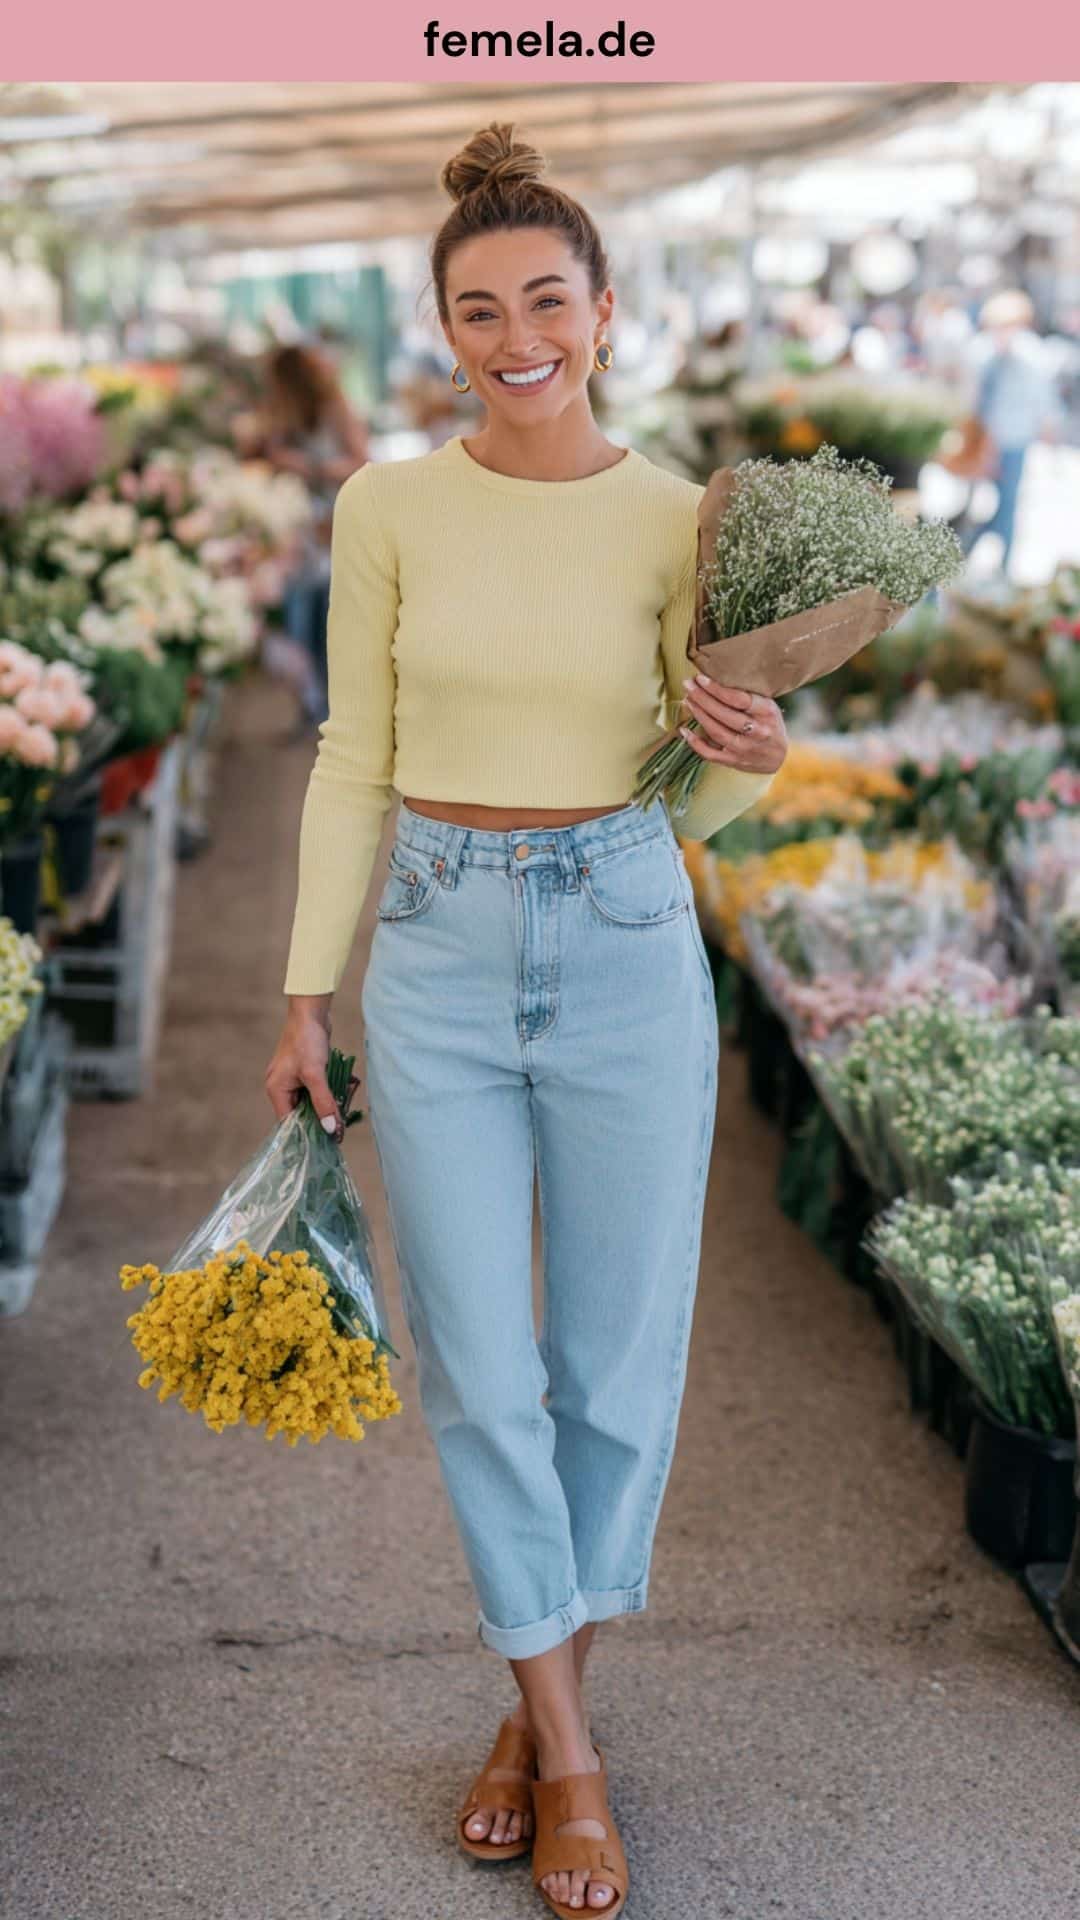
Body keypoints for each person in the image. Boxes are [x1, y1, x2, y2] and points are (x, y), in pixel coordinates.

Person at [264, 122, 788, 1920]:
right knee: (483, 1367)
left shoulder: (687, 520)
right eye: (480, 311)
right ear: (445, 330)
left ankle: (534, 1707)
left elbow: (698, 788)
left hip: (628, 928)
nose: (517, 339)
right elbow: (354, 754)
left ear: (606, 313)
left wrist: (755, 756)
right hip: (436, 945)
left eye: (548, 302)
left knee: (614, 1371)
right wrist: (303, 989)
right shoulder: (388, 508)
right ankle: (571, 1752)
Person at [261, 342, 370, 727]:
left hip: (335, 525)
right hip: (302, 533)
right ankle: (316, 705)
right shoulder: (285, 415)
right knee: (301, 621)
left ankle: (336, 710)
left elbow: (361, 462)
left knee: (330, 622)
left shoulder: (334, 407)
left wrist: (306, 465)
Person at [959, 288, 1063, 576]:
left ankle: (994, 563)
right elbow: (970, 395)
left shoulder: (1031, 354)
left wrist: (1050, 435)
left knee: (1007, 503)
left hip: (1013, 439)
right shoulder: (981, 351)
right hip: (981, 438)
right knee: (974, 501)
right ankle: (964, 551)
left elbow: (1044, 400)